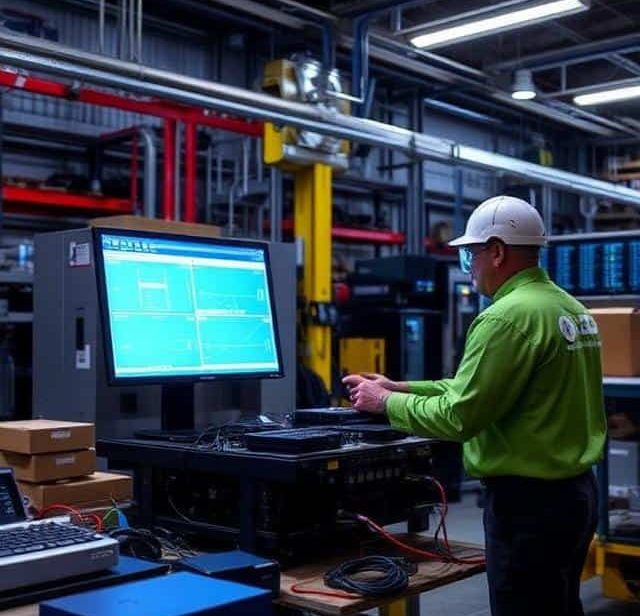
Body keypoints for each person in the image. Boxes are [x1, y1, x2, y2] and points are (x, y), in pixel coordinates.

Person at [343, 195, 606, 616]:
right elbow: (479, 388)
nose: (471, 267)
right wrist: (402, 386)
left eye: (471, 255)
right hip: (575, 495)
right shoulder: (569, 308)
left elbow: (460, 415)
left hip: (528, 507)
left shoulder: (505, 317)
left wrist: (385, 403)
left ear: (497, 251)